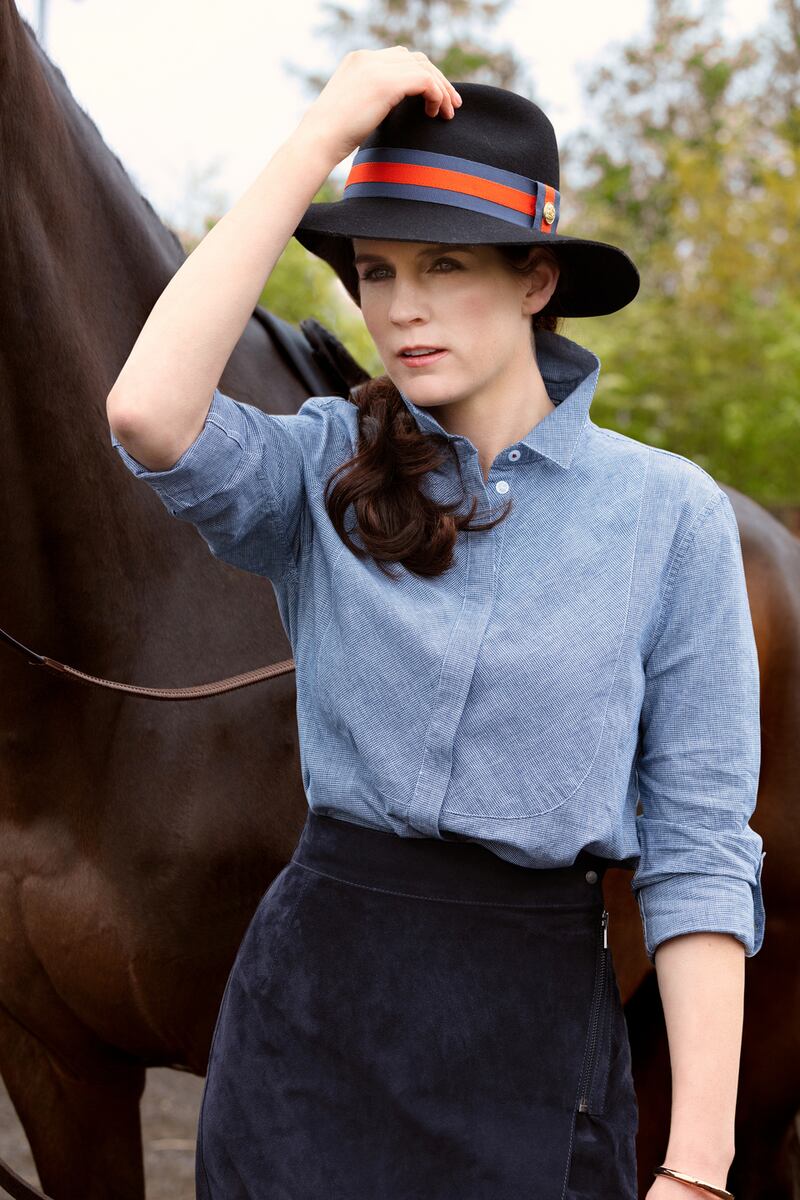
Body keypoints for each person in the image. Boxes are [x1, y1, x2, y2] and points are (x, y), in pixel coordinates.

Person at [106, 47, 765, 1200]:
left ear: (534, 281)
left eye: (445, 265)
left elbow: (700, 850)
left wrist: (697, 1166)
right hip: (306, 1028)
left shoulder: (669, 517)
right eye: (374, 270)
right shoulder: (321, 467)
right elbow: (149, 413)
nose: (400, 309)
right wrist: (318, 136)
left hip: (532, 1039)